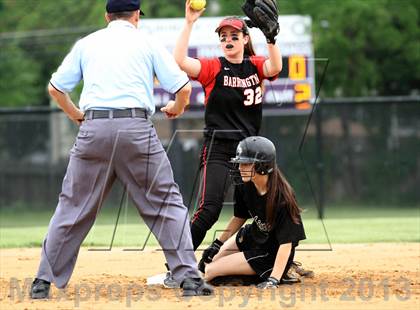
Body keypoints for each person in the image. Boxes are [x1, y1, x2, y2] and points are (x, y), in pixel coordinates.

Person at [29, 0, 213, 299]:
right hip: (135, 129)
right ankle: (189, 279)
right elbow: (184, 89)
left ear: (107, 16)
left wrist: (77, 114)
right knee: (166, 202)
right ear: (136, 16)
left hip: (94, 128)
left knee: (73, 205)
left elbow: (55, 89)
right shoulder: (146, 42)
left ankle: (42, 281)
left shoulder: (87, 44)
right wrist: (177, 108)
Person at [173, 0, 283, 253]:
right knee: (209, 209)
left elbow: (275, 66)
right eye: (223, 36)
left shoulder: (255, 65)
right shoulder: (213, 67)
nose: (228, 39)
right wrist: (189, 22)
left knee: (263, 206)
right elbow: (180, 61)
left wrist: (271, 36)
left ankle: (277, 258)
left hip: (250, 152)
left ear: (245, 39)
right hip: (219, 149)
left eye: (234, 35)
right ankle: (178, 266)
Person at [200, 136, 307, 288]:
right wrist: (217, 244)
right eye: (239, 163)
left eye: (246, 163)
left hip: (270, 253)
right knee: (205, 265)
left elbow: (286, 244)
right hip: (252, 237)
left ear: (263, 166)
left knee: (211, 271)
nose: (239, 168)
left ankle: (281, 270)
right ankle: (251, 269)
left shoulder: (282, 198)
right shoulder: (245, 184)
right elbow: (239, 217)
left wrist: (274, 280)